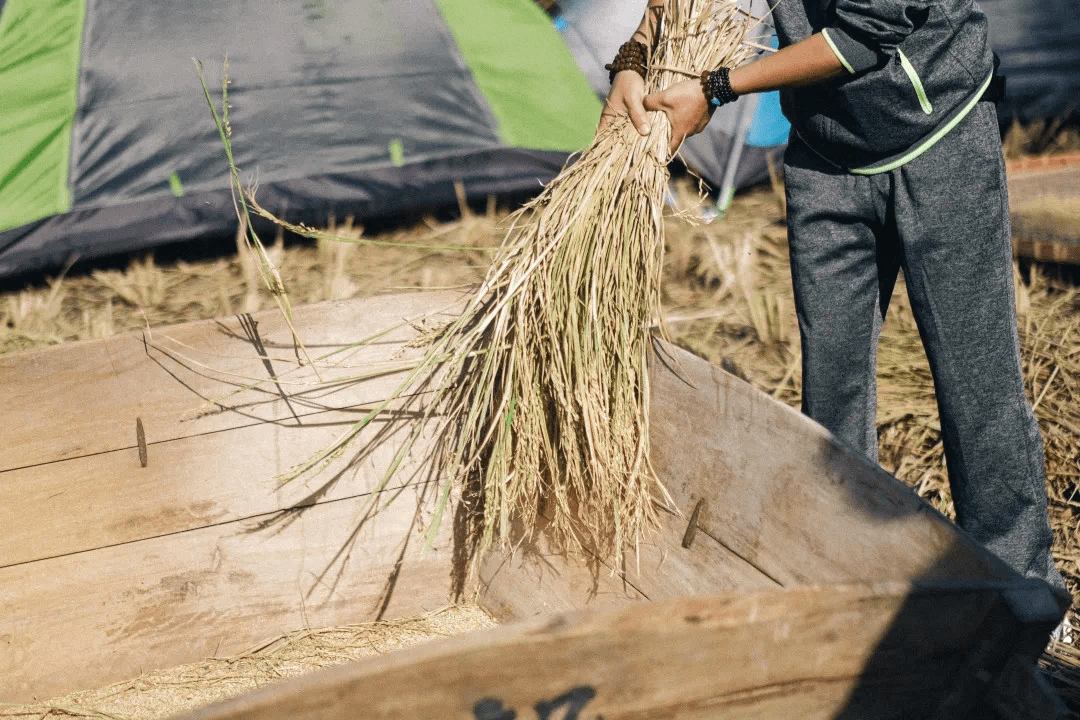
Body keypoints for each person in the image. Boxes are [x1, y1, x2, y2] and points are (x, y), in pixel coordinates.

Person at [601, 0, 1070, 614]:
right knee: (831, 391)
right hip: (825, 153)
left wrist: (715, 89)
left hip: (938, 134)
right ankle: (844, 587)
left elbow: (864, 36)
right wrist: (633, 64)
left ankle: (1023, 594)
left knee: (976, 383)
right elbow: (680, 7)